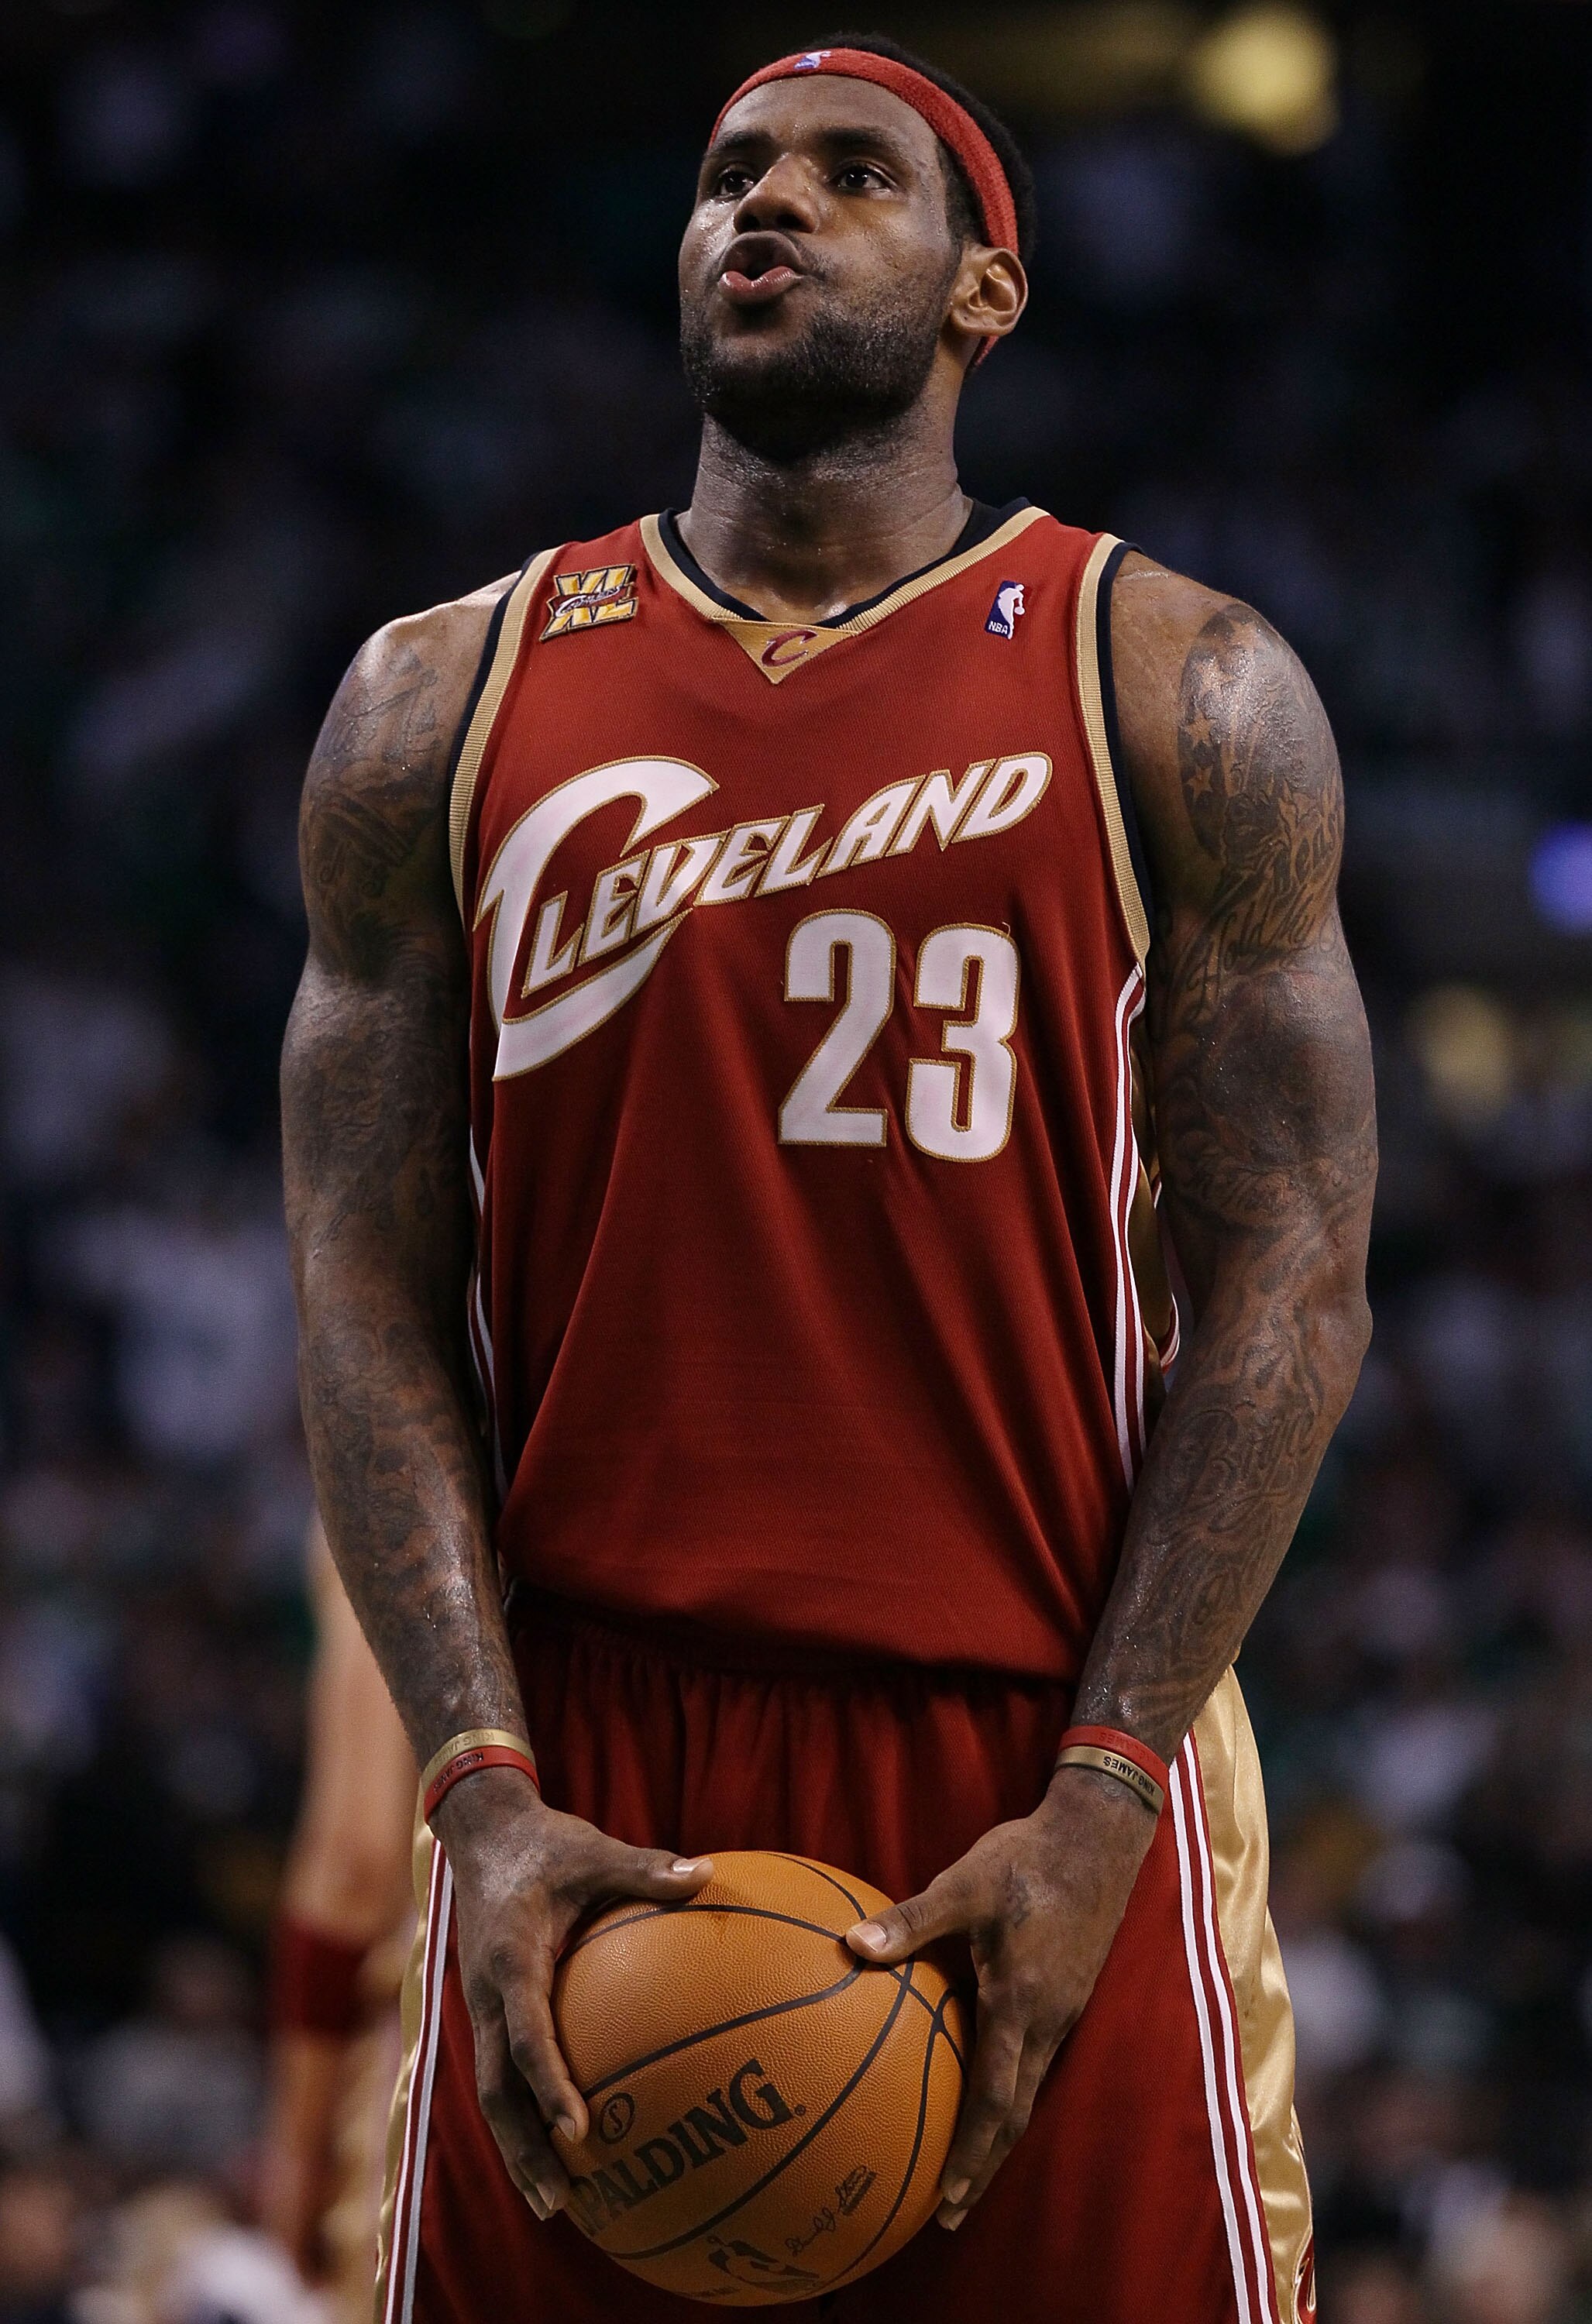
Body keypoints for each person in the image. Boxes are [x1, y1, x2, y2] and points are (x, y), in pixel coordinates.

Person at [280, 33, 1375, 2324]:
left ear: (984, 293)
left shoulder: (1173, 683)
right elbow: (361, 1275)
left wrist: (1100, 1794)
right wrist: (474, 1792)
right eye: (726, 173)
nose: (759, 206)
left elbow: (1291, 1272)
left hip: (1036, 1732)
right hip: (590, 1773)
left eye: (848, 175)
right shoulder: (436, 703)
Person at [260, 1519, 415, 2319]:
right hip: (653, 2007)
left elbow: (357, 1858)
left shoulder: (399, 1455)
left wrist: (298, 2145)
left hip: (441, 2047)